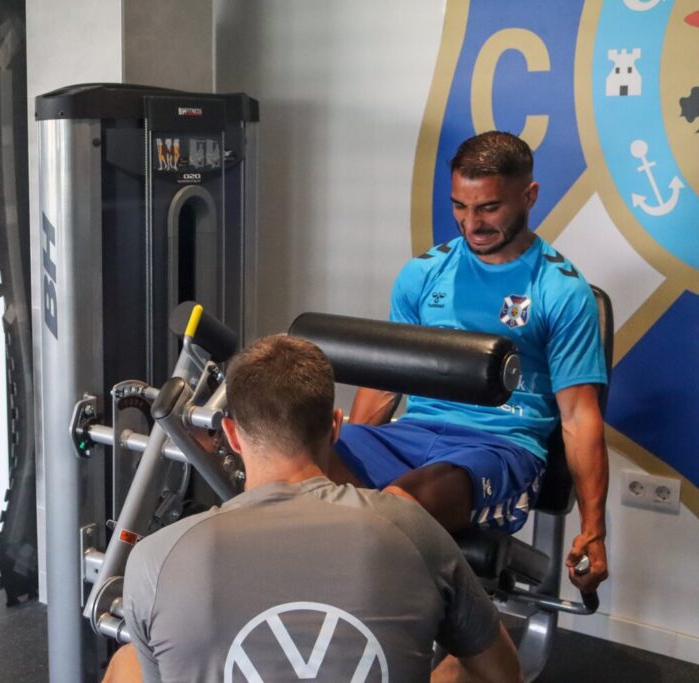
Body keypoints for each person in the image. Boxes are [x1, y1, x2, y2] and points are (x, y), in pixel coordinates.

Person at [105, 335, 521, 682]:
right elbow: (503, 674)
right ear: (337, 426)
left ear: (230, 433)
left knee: (128, 663)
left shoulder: (155, 558)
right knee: (465, 664)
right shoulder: (411, 528)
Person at [331, 131, 609, 595]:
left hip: (498, 447)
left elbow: (579, 417)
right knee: (294, 465)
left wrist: (594, 530)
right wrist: (356, 455)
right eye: (460, 206)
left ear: (529, 196)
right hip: (412, 434)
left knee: (398, 506)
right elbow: (386, 383)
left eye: (489, 208)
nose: (471, 223)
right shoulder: (423, 273)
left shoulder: (561, 290)